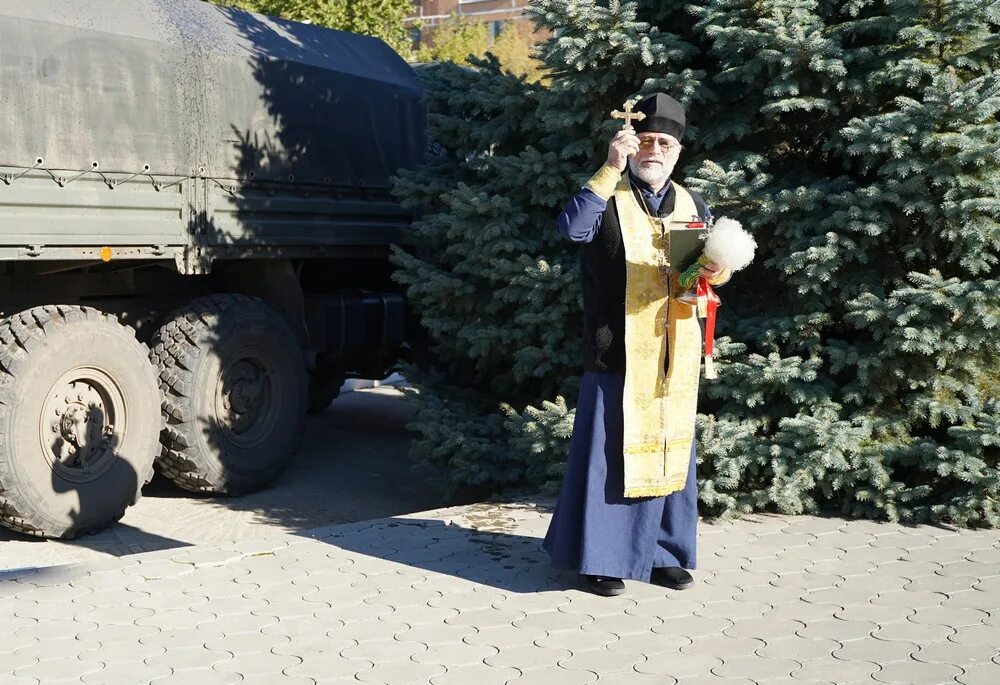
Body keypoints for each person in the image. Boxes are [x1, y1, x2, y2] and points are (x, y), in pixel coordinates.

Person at [543, 92, 731, 597]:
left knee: (671, 452)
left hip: (673, 354)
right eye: (645, 140)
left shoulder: (693, 205)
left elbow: (690, 281)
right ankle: (600, 559)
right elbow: (572, 229)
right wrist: (610, 166)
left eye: (664, 142)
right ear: (631, 145)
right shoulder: (607, 196)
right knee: (611, 456)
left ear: (677, 151)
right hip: (615, 350)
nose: (654, 149)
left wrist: (710, 271)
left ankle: (663, 553)